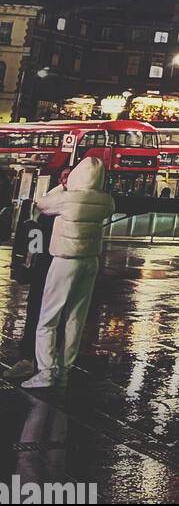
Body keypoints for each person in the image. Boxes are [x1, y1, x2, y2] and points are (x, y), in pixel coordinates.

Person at [22, 158, 115, 389]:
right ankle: (64, 371)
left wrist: (63, 186)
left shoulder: (67, 198)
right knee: (76, 318)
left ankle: (46, 371)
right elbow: (111, 206)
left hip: (65, 261)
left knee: (48, 318)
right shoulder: (105, 201)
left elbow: (42, 204)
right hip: (90, 262)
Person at [5, 171, 67, 382]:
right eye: (64, 176)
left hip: (61, 266)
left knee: (56, 316)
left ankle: (46, 359)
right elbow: (36, 234)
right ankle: (29, 357)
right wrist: (30, 263)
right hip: (44, 265)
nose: (66, 180)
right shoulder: (50, 203)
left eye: (71, 175)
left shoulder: (65, 203)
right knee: (36, 312)